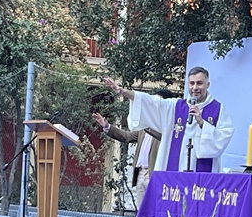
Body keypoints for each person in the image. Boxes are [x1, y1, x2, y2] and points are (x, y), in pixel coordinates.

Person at [103, 67, 234, 173]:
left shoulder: (218, 109)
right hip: (175, 172)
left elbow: (223, 138)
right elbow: (150, 102)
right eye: (192, 83)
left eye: (199, 83)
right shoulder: (174, 106)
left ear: (208, 85)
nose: (195, 87)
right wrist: (123, 92)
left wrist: (202, 123)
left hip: (203, 174)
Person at [91, 89, 174, 209]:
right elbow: (126, 136)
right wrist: (107, 126)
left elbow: (165, 138)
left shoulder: (167, 126)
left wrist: (148, 126)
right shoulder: (143, 127)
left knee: (156, 210)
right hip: (141, 172)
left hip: (155, 173)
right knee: (141, 212)